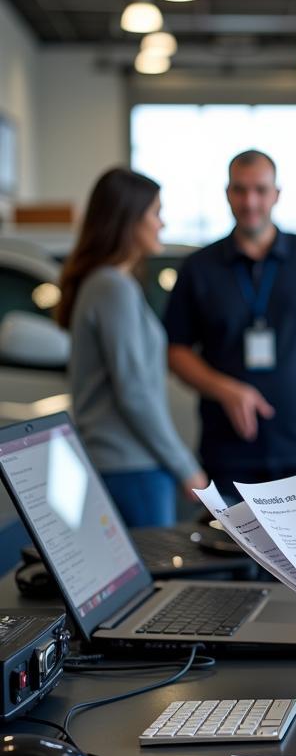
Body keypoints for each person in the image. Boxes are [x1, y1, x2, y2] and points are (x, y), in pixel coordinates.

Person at [164, 150, 296, 501]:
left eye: (260, 190)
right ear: (227, 194)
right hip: (232, 451)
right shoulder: (199, 268)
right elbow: (175, 350)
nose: (250, 202)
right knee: (236, 555)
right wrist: (224, 389)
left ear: (277, 194)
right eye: (240, 190)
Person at [56, 168, 207, 527]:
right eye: (155, 212)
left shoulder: (108, 283)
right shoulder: (112, 288)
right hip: (131, 467)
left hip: (124, 463)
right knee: (155, 581)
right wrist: (185, 467)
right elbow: (135, 393)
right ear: (128, 219)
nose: (162, 223)